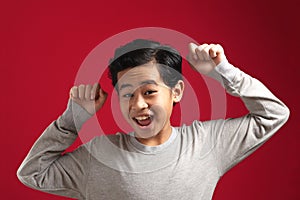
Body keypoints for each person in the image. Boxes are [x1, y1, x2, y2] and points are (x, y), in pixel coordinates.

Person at [17, 39, 289, 200]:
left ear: (177, 92)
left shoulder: (208, 143)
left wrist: (223, 72)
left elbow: (274, 114)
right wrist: (72, 120)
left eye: (149, 92)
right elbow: (32, 173)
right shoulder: (99, 154)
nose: (138, 105)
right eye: (127, 94)